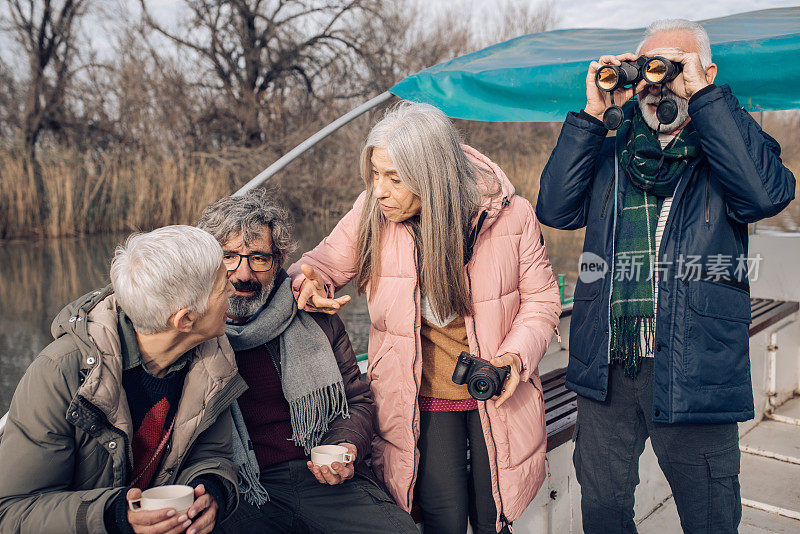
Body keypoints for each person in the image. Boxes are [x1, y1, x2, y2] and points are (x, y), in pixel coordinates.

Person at [536, 18, 796, 534]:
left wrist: (704, 97)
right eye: (648, 70)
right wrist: (592, 116)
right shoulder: (611, 148)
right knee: (605, 513)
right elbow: (555, 208)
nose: (657, 82)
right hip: (608, 363)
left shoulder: (729, 144)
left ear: (707, 71)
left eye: (673, 66)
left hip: (694, 362)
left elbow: (766, 194)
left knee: (710, 515)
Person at [288, 102, 562, 534]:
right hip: (422, 396)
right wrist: (310, 284)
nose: (380, 190)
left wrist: (514, 358)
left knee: (496, 517)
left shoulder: (511, 215)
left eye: (394, 178)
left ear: (432, 175)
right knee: (441, 517)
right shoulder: (372, 213)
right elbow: (319, 265)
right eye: (375, 174)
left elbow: (542, 301)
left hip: (499, 389)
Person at [197, 191, 418, 534]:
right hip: (240, 483)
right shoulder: (193, 327)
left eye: (258, 258)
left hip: (320, 473)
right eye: (228, 257)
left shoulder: (312, 311)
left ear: (280, 259)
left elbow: (355, 401)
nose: (242, 274)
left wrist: (346, 446)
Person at [0, 225, 245, 534]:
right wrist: (115, 517)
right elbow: (12, 513)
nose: (234, 291)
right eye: (224, 287)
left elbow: (212, 455)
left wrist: (211, 492)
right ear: (185, 320)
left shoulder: (212, 361)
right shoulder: (59, 373)